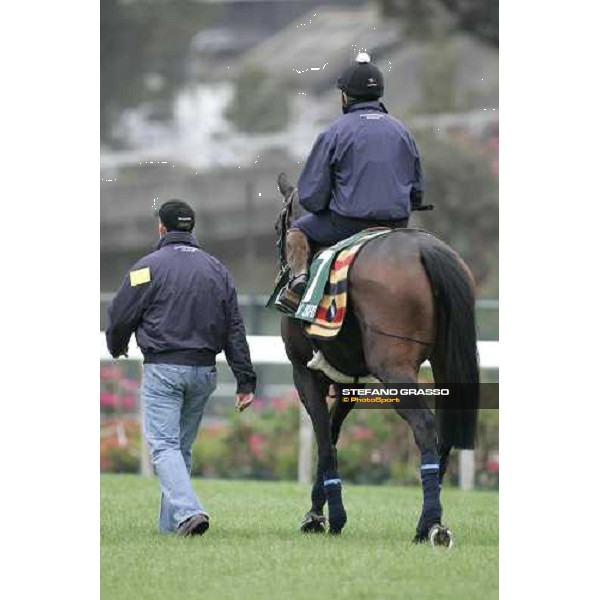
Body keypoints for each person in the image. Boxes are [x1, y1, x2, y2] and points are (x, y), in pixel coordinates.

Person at [106, 200, 256, 537]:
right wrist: (245, 380)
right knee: (179, 449)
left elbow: (120, 313)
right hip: (203, 373)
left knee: (163, 447)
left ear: (162, 227)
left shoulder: (148, 267)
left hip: (164, 370)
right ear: (191, 228)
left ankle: (189, 513)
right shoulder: (217, 269)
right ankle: (171, 528)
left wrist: (117, 346)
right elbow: (234, 328)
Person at [277, 52, 425, 313]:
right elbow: (417, 192)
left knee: (297, 231)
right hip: (397, 224)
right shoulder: (402, 131)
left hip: (347, 225)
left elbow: (311, 197)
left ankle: (298, 282)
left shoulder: (335, 131)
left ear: (345, 96)